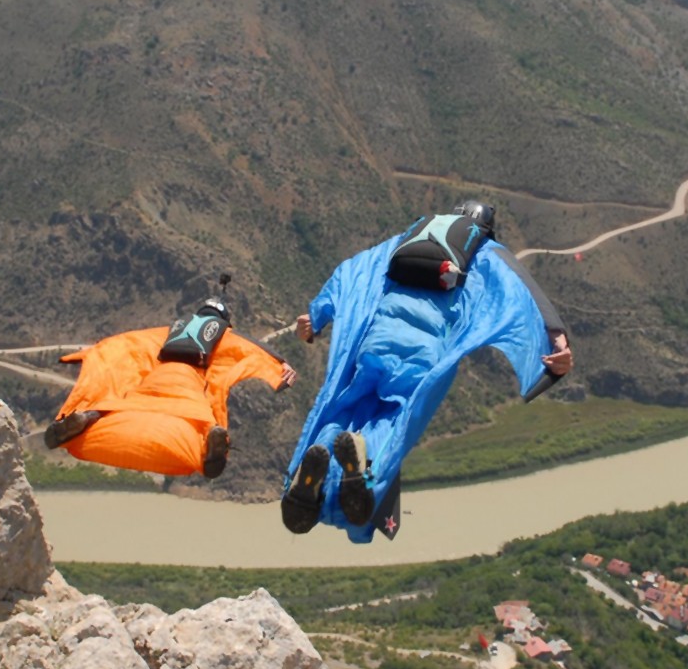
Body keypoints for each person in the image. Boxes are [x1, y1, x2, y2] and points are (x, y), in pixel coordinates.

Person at [280, 200, 573, 543]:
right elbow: (525, 293)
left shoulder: (408, 238)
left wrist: (317, 316)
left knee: (346, 408)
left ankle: (316, 460)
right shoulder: (486, 253)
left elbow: (354, 270)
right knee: (394, 420)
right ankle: (364, 469)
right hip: (421, 354)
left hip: (375, 341)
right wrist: (558, 342)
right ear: (485, 229)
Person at [45, 295, 297, 478]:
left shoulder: (169, 332)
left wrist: (94, 351)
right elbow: (254, 349)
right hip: (188, 385)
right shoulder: (225, 337)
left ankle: (88, 418)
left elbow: (129, 341)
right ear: (224, 321)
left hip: (156, 379)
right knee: (204, 419)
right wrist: (280, 364)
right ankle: (211, 446)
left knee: (122, 405)